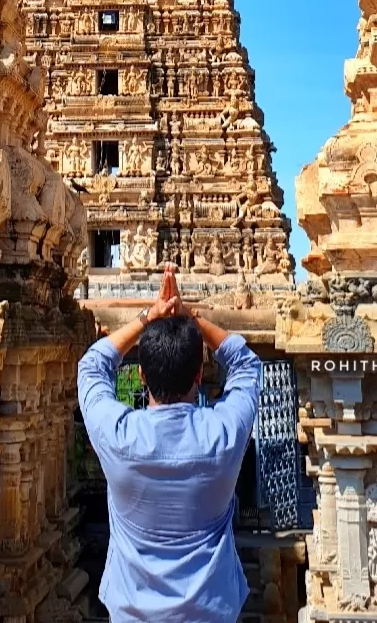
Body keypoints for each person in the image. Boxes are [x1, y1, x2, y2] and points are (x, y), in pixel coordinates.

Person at [77, 263, 261, 623]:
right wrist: (189, 315)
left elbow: (92, 365)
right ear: (199, 374)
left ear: (140, 375)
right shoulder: (222, 435)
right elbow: (246, 364)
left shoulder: (119, 437)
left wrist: (150, 316)